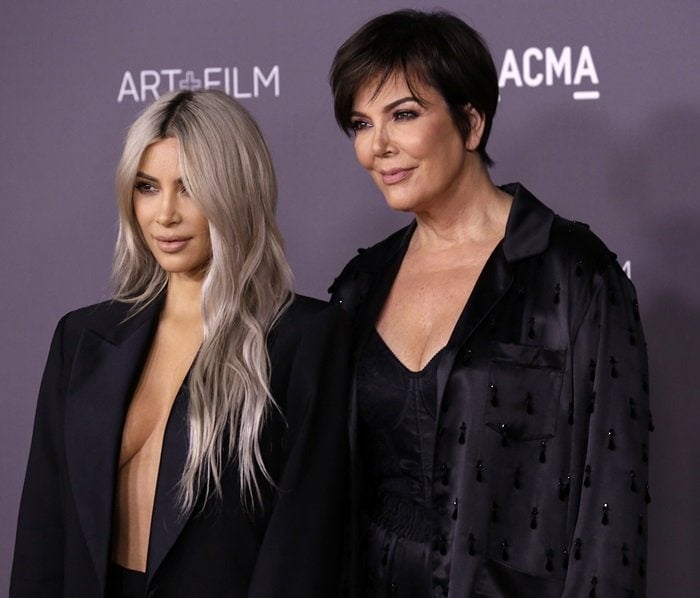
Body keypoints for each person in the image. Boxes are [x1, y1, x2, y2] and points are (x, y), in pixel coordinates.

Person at [329, 10, 650, 598]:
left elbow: (612, 499)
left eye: (403, 114)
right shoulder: (359, 285)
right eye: (360, 123)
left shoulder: (575, 272)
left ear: (470, 123)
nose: (378, 146)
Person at [11, 89, 351, 597]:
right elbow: (44, 534)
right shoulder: (81, 339)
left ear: (235, 191)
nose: (164, 213)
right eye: (147, 187)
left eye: (189, 187)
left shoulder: (305, 339)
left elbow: (300, 548)